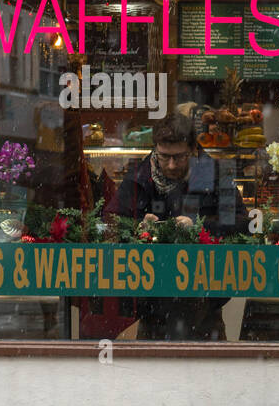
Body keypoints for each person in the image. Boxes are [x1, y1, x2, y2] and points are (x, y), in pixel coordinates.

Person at [106, 113, 249, 339]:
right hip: (151, 303)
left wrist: (199, 228)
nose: (171, 165)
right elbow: (111, 222)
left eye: (179, 157)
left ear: (193, 150)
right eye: (164, 157)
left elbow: (241, 223)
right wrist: (138, 228)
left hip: (203, 303)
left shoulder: (215, 173)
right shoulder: (140, 175)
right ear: (155, 149)